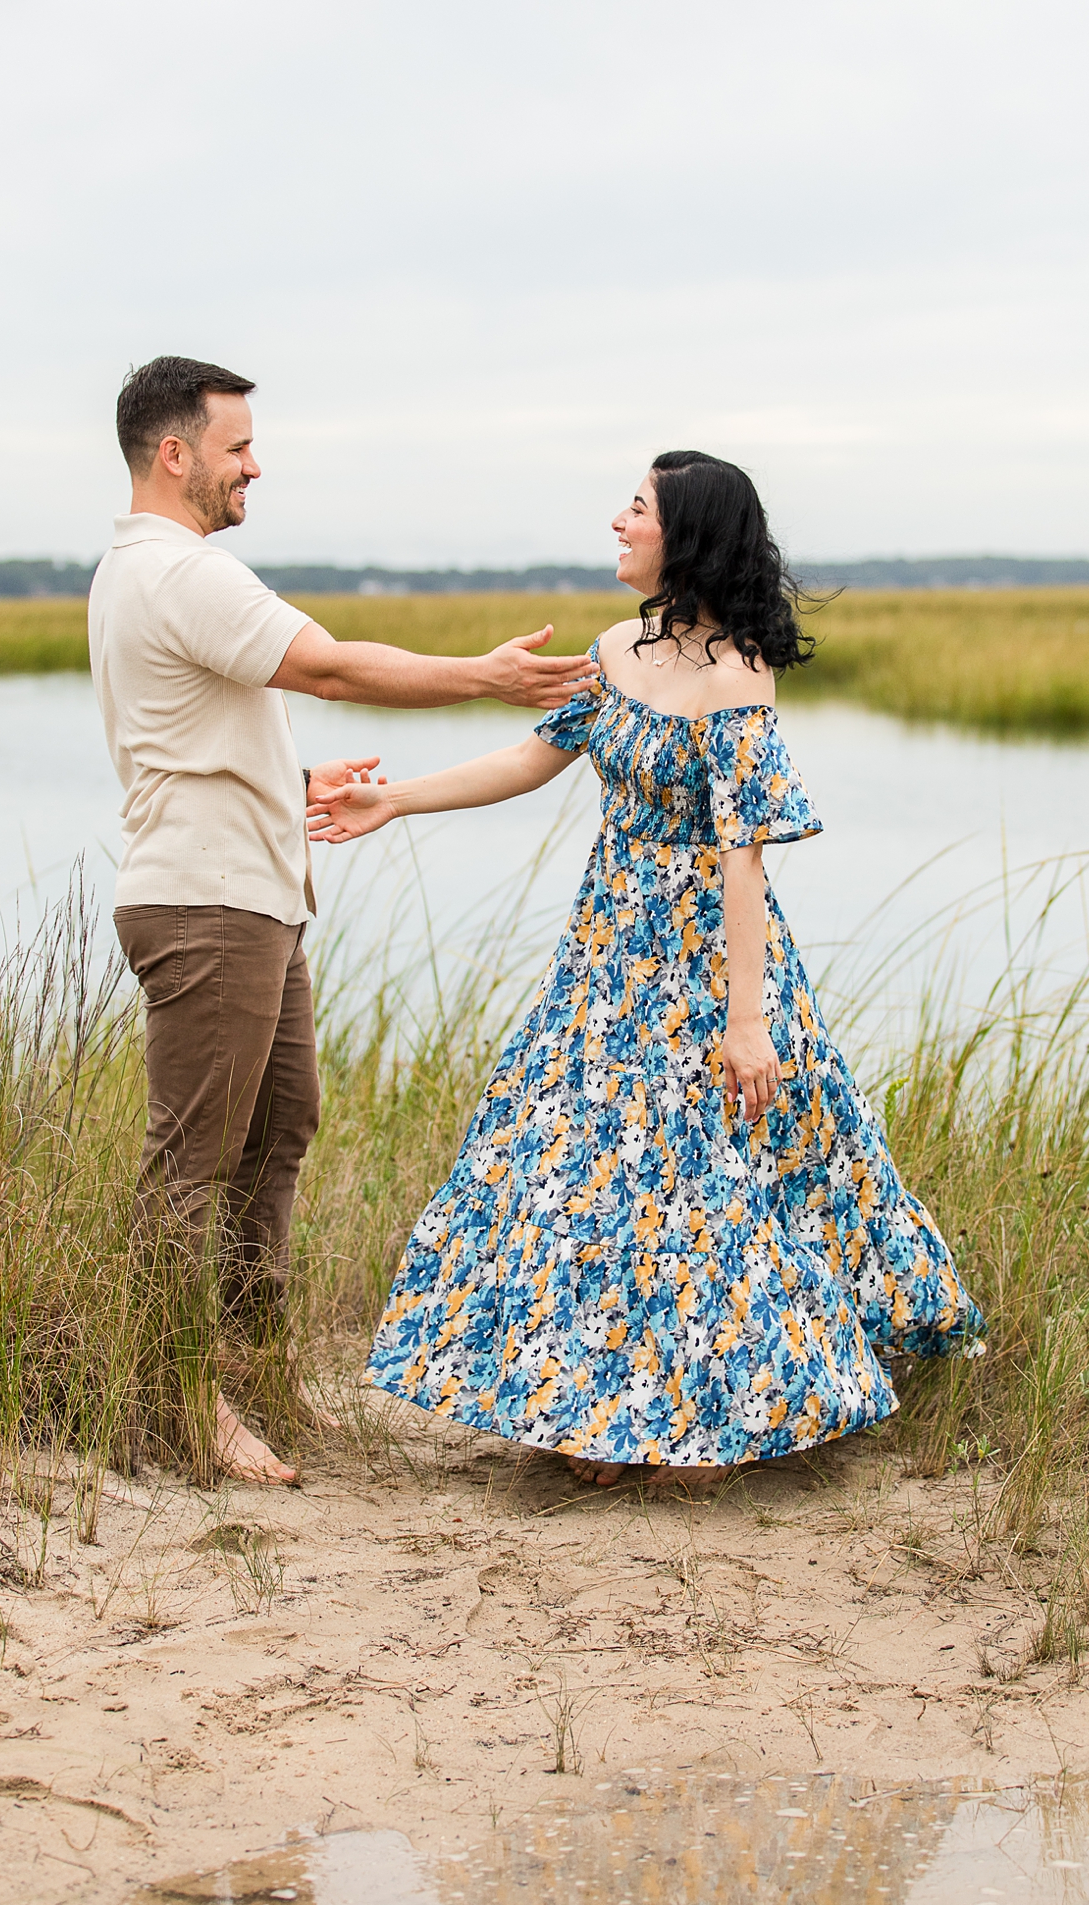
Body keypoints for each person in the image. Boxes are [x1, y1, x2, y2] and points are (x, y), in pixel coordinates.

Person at [311, 449, 986, 1492]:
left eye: (638, 508)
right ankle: (592, 1409)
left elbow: (745, 852)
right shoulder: (614, 648)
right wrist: (394, 799)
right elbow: (533, 758)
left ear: (688, 535)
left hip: (711, 961)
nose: (618, 522)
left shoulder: (737, 673)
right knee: (586, 1178)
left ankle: (723, 1417)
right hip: (606, 958)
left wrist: (748, 1020)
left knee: (713, 1184)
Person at [88, 354, 599, 1486]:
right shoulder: (181, 573)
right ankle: (177, 1405)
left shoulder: (148, 575)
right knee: (193, 1163)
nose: (253, 465)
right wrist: (484, 673)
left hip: (246, 890)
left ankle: (251, 1376)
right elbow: (327, 665)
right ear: (175, 455)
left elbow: (189, 736)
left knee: (278, 1132)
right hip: (209, 903)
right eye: (237, 447)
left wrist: (291, 782)